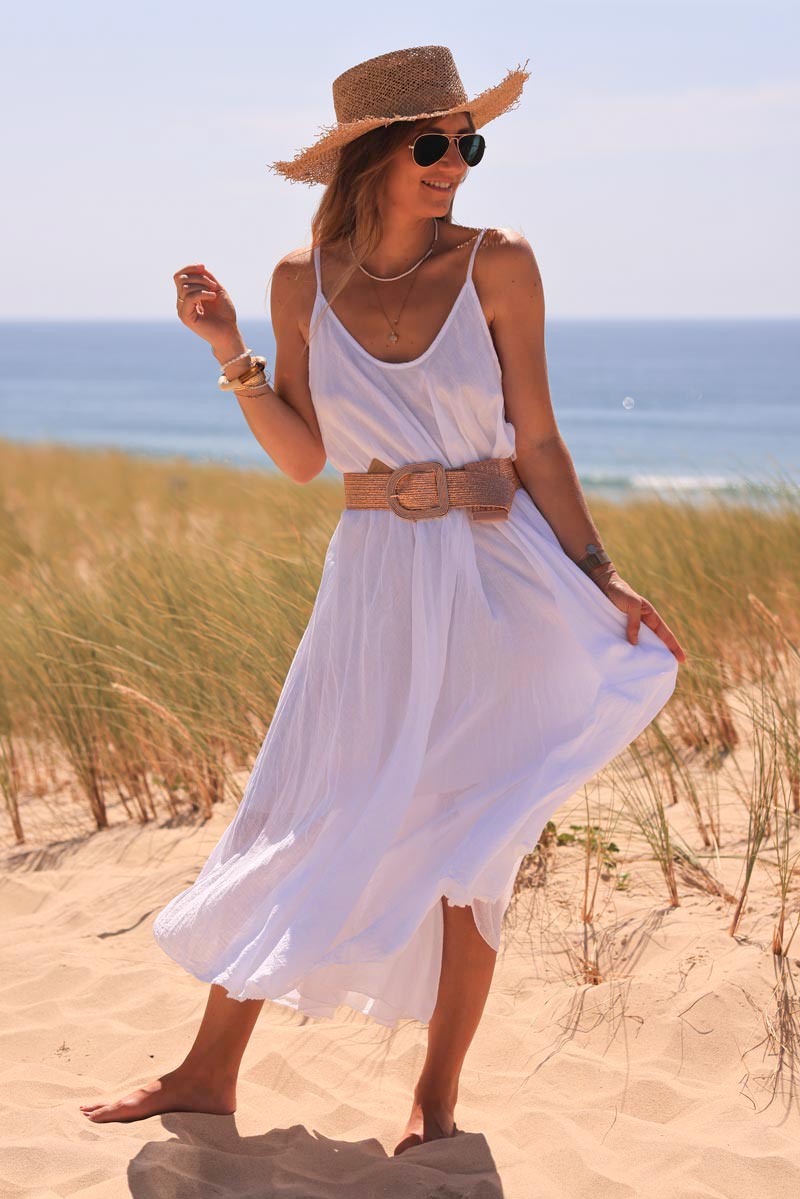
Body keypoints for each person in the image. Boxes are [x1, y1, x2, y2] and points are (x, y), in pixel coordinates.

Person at [79, 44, 686, 1153]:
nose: (455, 162)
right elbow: (306, 459)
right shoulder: (298, 281)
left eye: (468, 142)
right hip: (369, 584)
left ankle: (436, 1095)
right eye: (431, 143)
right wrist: (232, 355)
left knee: (476, 829)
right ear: (368, 154)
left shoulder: (498, 264)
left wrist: (601, 574)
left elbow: (537, 437)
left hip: (500, 579)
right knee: (305, 804)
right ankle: (207, 1071)